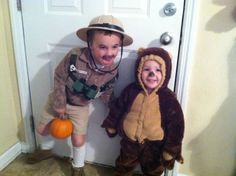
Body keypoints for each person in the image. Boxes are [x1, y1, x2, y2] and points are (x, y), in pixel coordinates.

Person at [26, 14, 133, 176]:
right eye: (103, 47)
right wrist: (59, 104)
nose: (110, 53)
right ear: (90, 44)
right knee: (42, 129)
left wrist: (117, 109)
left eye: (115, 47)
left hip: (79, 107)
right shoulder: (75, 56)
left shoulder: (112, 71)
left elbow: (107, 93)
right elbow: (59, 76)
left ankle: (78, 166)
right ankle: (46, 150)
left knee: (78, 138)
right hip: (57, 98)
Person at [102, 47, 185, 176]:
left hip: (155, 144)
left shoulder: (168, 98)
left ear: (165, 73)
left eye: (158, 70)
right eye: (147, 70)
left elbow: (176, 126)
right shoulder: (131, 91)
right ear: (139, 71)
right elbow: (118, 107)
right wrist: (111, 124)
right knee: (124, 165)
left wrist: (171, 149)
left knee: (153, 169)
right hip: (130, 141)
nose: (152, 74)